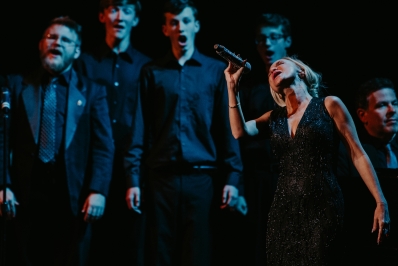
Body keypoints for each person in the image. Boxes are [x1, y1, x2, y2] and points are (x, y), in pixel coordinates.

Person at [223, 56, 390, 265]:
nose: (273, 68)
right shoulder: (274, 117)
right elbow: (239, 131)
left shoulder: (329, 105)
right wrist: (232, 87)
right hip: (283, 211)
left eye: (280, 64)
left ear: (301, 71)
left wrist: (380, 200)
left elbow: (357, 153)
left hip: (323, 206)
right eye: (270, 70)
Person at [126, 0, 243, 265]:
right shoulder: (152, 72)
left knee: (198, 253)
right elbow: (140, 128)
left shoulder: (214, 71)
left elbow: (226, 128)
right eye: (174, 22)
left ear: (196, 26)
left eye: (186, 21)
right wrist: (133, 178)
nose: (181, 27)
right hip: (161, 179)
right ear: (165, 29)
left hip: (201, 179)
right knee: (160, 254)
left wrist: (233, 178)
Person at [0, 16, 114, 265]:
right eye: (51, 37)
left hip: (73, 200)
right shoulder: (16, 85)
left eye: (66, 40)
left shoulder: (93, 91)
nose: (57, 43)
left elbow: (103, 147)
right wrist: (3, 184)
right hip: (27, 197)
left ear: (76, 51)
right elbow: (2, 140)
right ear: (41, 44)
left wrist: (98, 190)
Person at [74, 1, 150, 264]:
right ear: (102, 15)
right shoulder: (84, 62)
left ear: (136, 19)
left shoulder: (145, 66)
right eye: (114, 9)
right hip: (92, 167)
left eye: (127, 10)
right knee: (89, 244)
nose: (119, 16)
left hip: (133, 167)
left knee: (130, 244)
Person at [237, 13, 292, 266]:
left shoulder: (301, 83)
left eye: (274, 37)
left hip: (293, 179)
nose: (268, 44)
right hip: (258, 182)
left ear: (287, 40)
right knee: (259, 248)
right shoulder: (248, 87)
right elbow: (236, 140)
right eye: (262, 39)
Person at [337, 77, 398, 265]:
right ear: (363, 115)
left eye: (395, 103)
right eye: (382, 105)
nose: (392, 110)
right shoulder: (350, 153)